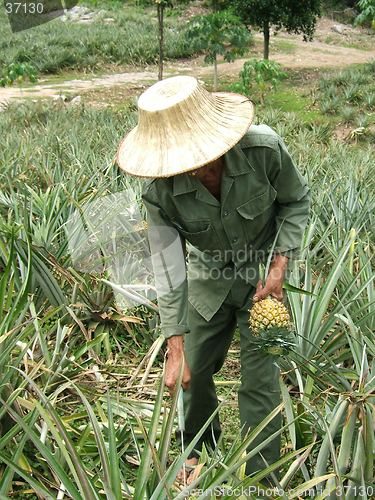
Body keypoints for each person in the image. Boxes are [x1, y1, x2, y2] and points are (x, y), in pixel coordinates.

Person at [117, 75, 311, 487]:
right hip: (210, 276)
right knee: (194, 369)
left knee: (260, 381)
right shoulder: (160, 194)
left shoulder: (263, 149)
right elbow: (169, 267)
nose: (193, 170)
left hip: (265, 276)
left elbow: (296, 201)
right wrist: (174, 341)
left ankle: (263, 480)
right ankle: (198, 454)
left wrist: (279, 266)